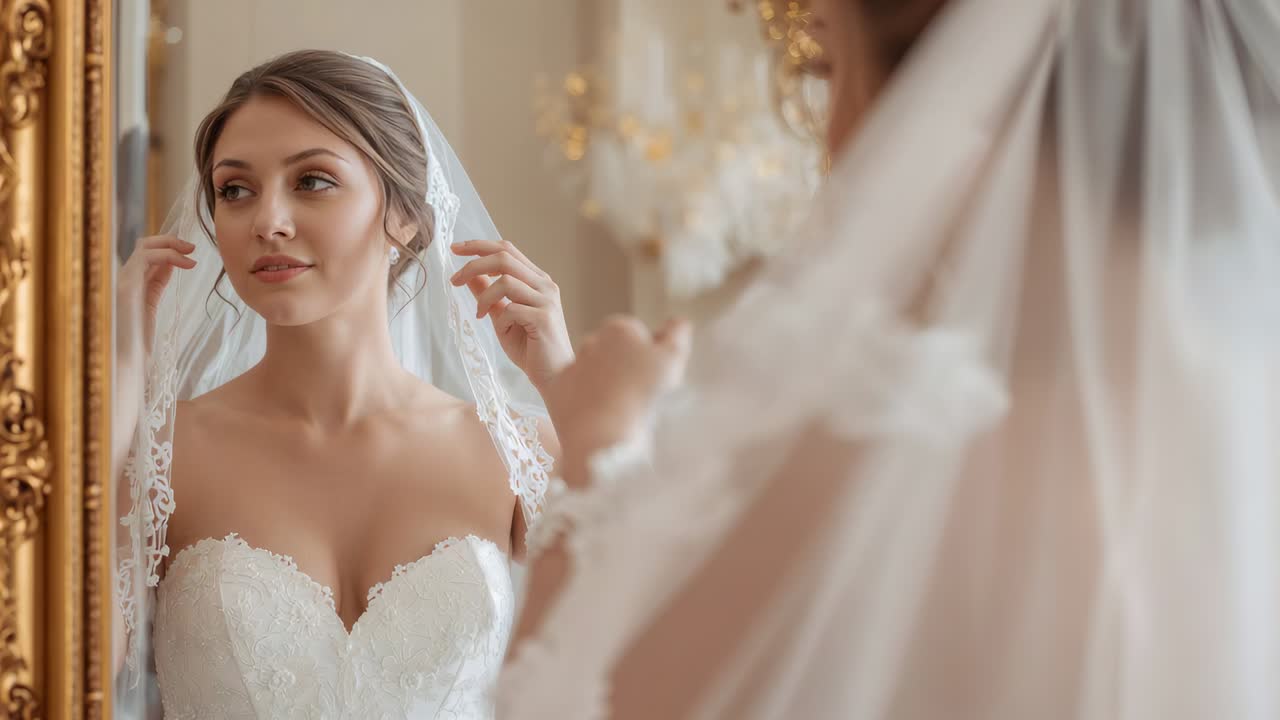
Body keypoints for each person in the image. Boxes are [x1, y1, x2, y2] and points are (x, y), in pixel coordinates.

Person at [500, 0, 1280, 718]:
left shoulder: (886, 466)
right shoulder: (1239, 443)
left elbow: (572, 698)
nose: (827, 138)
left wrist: (596, 443)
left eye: (826, 67)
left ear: (955, 91)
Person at [114, 49, 571, 718]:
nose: (266, 220)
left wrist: (566, 387)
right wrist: (121, 382)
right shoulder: (159, 454)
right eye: (235, 189)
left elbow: (679, 652)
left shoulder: (513, 452)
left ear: (405, 215)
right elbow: (58, 672)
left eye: (313, 181)